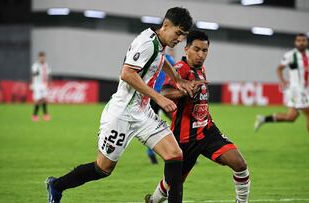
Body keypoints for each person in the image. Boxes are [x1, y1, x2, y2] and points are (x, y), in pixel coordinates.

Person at [45, 7, 202, 203]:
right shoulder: (147, 43)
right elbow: (127, 74)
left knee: (175, 155)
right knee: (103, 169)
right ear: (166, 25)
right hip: (122, 114)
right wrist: (159, 98)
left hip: (143, 113)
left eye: (183, 35)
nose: (179, 39)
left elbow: (160, 60)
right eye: (178, 33)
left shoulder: (158, 42)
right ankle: (56, 185)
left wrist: (177, 79)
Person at [145, 31, 250, 203]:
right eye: (196, 49)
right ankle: (152, 201)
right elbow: (164, 92)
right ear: (186, 49)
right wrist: (183, 90)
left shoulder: (201, 68)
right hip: (184, 138)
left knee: (240, 165)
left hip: (207, 131)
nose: (201, 55)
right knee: (172, 182)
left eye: (205, 50)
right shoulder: (180, 69)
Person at [254, 33, 309, 149]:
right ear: (295, 42)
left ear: (307, 42)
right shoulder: (291, 55)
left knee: (291, 117)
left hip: (303, 89)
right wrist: (283, 80)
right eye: (299, 40)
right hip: (296, 89)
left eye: (303, 40)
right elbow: (279, 68)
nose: (301, 42)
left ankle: (264, 119)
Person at [147, 48, 176, 164]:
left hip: (155, 96)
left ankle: (151, 154)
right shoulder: (168, 59)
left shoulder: (151, 60)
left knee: (153, 124)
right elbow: (177, 72)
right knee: (176, 121)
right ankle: (151, 153)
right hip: (159, 96)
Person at [31, 51, 51, 121]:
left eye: (43, 57)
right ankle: (34, 115)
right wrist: (32, 84)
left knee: (45, 99)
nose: (42, 59)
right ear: (39, 58)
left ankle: (45, 114)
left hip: (44, 84)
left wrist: (49, 83)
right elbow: (34, 75)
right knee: (38, 100)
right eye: (41, 57)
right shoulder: (35, 65)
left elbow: (48, 74)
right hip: (37, 84)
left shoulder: (46, 65)